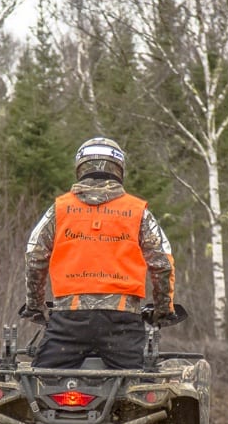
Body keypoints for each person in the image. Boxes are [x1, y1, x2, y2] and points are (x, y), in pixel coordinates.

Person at [23, 136, 175, 369]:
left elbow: (35, 256)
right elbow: (162, 263)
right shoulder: (137, 212)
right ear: (119, 168)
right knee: (136, 394)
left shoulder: (60, 209)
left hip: (68, 323)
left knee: (41, 386)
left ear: (80, 167)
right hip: (122, 324)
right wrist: (163, 310)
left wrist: (36, 306)